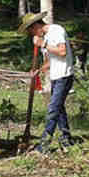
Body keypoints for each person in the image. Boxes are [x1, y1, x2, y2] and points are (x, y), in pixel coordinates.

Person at [17, 11, 75, 153]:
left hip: (64, 76)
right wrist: (38, 70)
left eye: (31, 31)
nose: (32, 35)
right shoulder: (47, 36)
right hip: (56, 76)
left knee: (53, 109)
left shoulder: (56, 30)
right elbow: (50, 61)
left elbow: (62, 52)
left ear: (36, 26)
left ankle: (44, 144)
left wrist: (43, 43)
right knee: (59, 108)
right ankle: (66, 138)